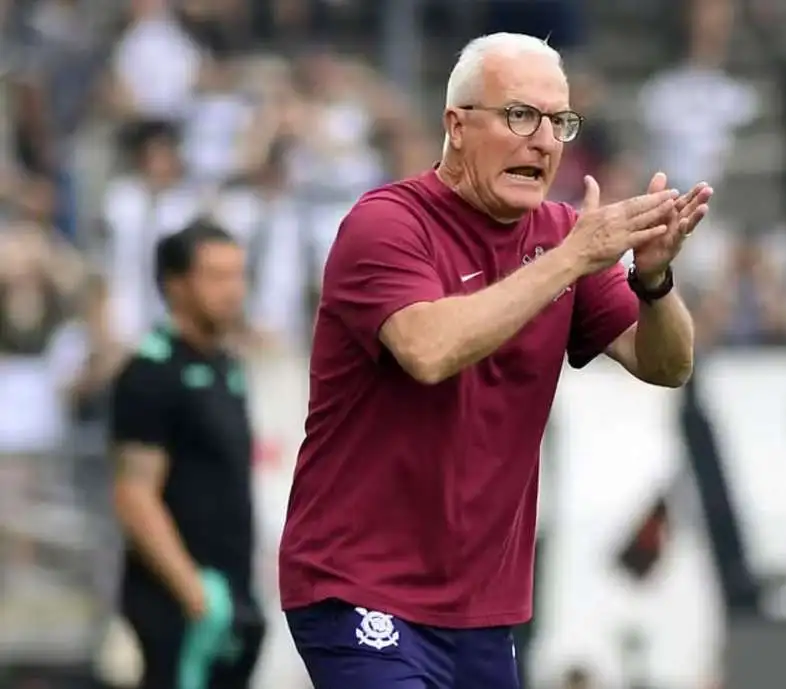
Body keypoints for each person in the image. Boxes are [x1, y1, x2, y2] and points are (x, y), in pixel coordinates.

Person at [279, 32, 711, 689]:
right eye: (519, 116)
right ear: (456, 125)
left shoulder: (564, 236)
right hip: (358, 583)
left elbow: (667, 365)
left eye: (558, 122)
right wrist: (573, 259)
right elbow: (428, 350)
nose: (543, 140)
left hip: (481, 606)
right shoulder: (388, 225)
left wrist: (654, 282)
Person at [110, 220, 265, 689]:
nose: (233, 290)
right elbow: (134, 494)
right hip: (181, 604)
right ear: (175, 285)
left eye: (238, 275)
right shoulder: (151, 373)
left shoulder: (226, 366)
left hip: (233, 593)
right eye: (216, 277)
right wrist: (193, 593)